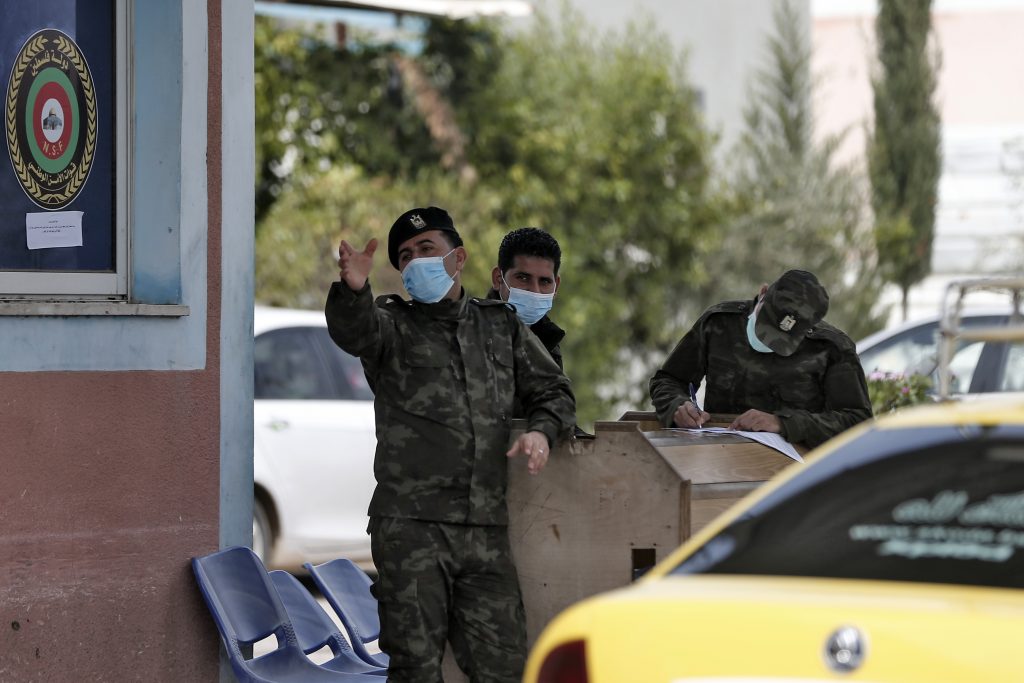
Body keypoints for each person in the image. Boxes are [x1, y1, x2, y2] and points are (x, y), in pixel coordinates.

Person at [325, 206, 576, 683]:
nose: (416, 259)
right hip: (411, 529)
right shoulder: (391, 325)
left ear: (457, 257)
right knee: (417, 670)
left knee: (503, 667)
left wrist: (543, 430)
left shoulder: (500, 325)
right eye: (405, 255)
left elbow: (554, 390)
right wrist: (354, 289)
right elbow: (353, 332)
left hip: (485, 530)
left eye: (427, 249)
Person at [649, 269, 872, 448]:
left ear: (808, 327)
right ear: (763, 292)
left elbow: (858, 423)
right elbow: (668, 380)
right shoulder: (718, 324)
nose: (768, 342)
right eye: (767, 326)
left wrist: (784, 424)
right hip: (718, 462)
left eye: (785, 338)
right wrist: (677, 405)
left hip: (793, 477)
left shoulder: (832, 349)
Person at [488, 227, 565, 369]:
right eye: (523, 278)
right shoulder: (468, 332)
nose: (535, 291)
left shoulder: (550, 345)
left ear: (556, 286)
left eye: (545, 281)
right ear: (498, 279)